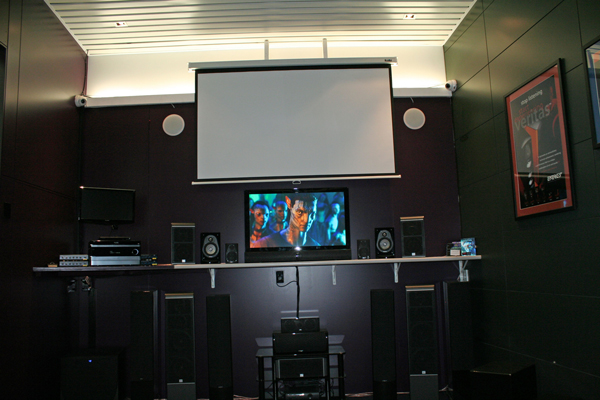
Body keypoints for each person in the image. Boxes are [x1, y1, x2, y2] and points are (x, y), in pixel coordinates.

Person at [253, 193, 320, 248]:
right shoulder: (264, 244)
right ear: (289, 204)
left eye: (312, 214)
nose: (306, 220)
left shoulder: (316, 246)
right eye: (300, 212)